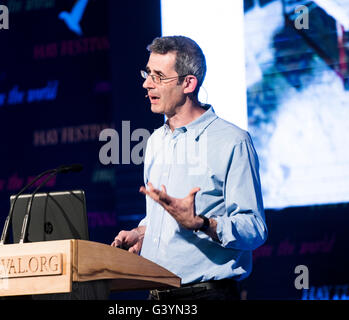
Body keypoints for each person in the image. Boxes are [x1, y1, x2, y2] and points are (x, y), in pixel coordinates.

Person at [111, 35, 268, 300]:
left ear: (188, 83)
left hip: (205, 295)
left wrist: (202, 224)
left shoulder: (232, 141)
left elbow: (254, 228)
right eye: (148, 73)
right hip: (156, 295)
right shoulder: (155, 142)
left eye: (158, 76)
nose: (147, 83)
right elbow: (168, 219)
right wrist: (141, 233)